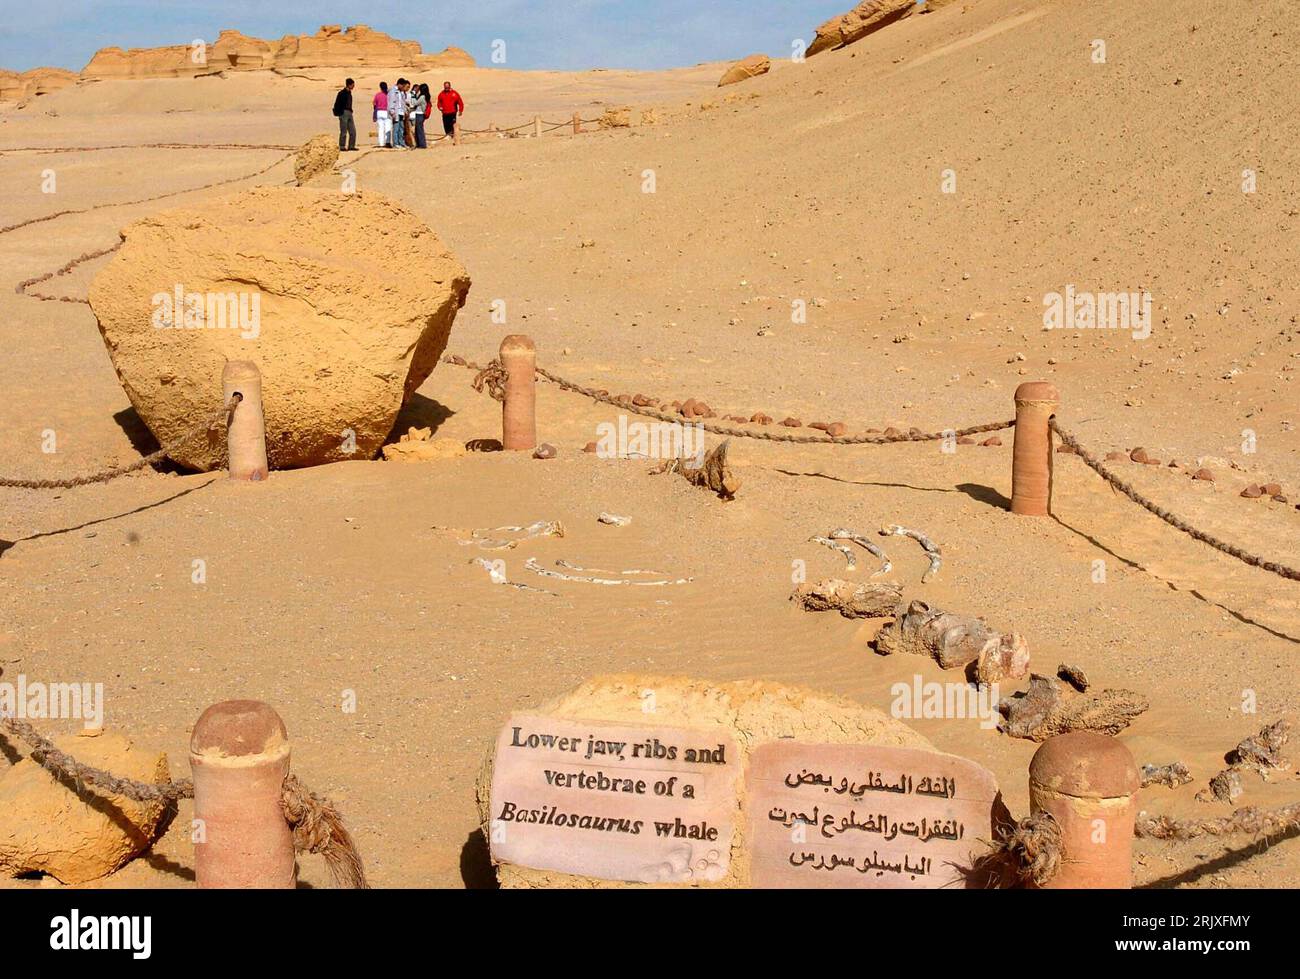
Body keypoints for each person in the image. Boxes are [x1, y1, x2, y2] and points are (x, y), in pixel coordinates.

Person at [436, 81, 464, 146]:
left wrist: (460, 110)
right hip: (445, 113)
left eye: (447, 87)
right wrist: (440, 107)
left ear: (450, 86)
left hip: (452, 112)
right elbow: (439, 102)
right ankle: (448, 135)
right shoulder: (441, 94)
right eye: (445, 87)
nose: (446, 89)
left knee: (453, 125)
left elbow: (460, 102)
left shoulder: (454, 93)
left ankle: (454, 136)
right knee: (446, 124)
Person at [332, 78, 357, 152]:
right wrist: (340, 112)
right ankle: (342, 146)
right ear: (349, 85)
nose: (353, 86)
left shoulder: (349, 93)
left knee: (353, 131)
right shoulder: (342, 93)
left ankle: (351, 146)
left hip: (349, 112)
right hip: (343, 113)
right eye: (353, 85)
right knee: (343, 131)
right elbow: (337, 104)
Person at [389, 78, 408, 148]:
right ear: (399, 84)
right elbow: (391, 102)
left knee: (401, 128)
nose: (403, 88)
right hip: (396, 112)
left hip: (401, 112)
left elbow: (403, 103)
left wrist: (405, 111)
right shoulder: (393, 91)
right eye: (403, 86)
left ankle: (401, 143)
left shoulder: (401, 92)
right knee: (396, 128)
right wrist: (392, 112)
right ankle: (395, 143)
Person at [409, 83, 428, 149]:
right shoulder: (425, 96)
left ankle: (422, 144)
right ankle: (419, 144)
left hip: (420, 114)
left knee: (419, 130)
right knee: (417, 129)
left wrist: (413, 95)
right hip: (419, 113)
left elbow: (415, 103)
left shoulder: (422, 97)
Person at [373, 81, 390, 148]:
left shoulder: (377, 95)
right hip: (386, 111)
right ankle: (387, 142)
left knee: (381, 128)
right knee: (388, 127)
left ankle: (381, 143)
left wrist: (374, 114)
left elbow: (374, 105)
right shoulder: (388, 95)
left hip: (379, 112)